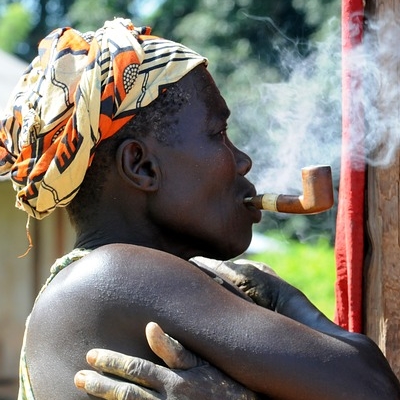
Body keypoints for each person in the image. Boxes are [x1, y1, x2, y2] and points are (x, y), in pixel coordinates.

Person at [1, 18, 399, 400]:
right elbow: (373, 386)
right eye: (218, 133)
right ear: (142, 166)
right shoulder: (116, 274)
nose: (243, 161)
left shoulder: (112, 284)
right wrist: (281, 299)